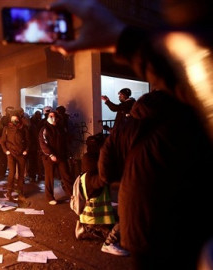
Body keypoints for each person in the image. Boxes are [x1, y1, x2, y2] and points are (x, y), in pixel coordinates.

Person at [49, 0, 213, 268]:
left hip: (141, 224)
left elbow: (106, 168)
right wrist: (123, 40)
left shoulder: (128, 121)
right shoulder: (191, 116)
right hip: (182, 225)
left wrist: (121, 39)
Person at [75, 135, 129, 256]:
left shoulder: (87, 173)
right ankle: (104, 240)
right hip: (94, 219)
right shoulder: (92, 178)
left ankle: (84, 227)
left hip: (97, 217)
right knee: (123, 225)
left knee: (120, 219)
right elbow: (104, 180)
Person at [38, 111, 74, 205]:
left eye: (54, 116)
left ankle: (72, 194)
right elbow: (43, 143)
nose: (52, 118)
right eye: (50, 116)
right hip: (49, 158)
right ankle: (50, 197)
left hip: (61, 156)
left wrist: (67, 153)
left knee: (66, 175)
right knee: (49, 177)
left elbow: (64, 142)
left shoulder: (60, 128)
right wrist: (50, 154)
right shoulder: (44, 129)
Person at [0, 112, 30, 202]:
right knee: (12, 173)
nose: (15, 120)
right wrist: (6, 151)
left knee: (21, 174)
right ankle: (9, 191)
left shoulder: (23, 128)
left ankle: (20, 192)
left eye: (16, 119)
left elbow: (28, 141)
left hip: (21, 154)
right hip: (11, 154)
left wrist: (26, 150)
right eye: (13, 119)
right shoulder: (6, 128)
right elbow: (2, 141)